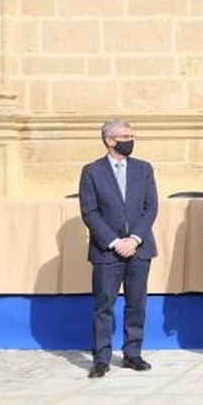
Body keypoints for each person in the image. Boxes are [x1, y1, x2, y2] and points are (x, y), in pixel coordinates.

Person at [78, 119, 158, 378]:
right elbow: (90, 212)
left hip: (139, 249)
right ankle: (101, 359)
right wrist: (114, 242)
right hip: (107, 252)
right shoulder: (92, 171)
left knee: (136, 304)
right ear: (109, 140)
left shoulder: (144, 169)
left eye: (131, 136)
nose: (130, 141)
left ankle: (132, 354)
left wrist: (134, 239)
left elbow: (150, 208)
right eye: (125, 136)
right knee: (103, 306)